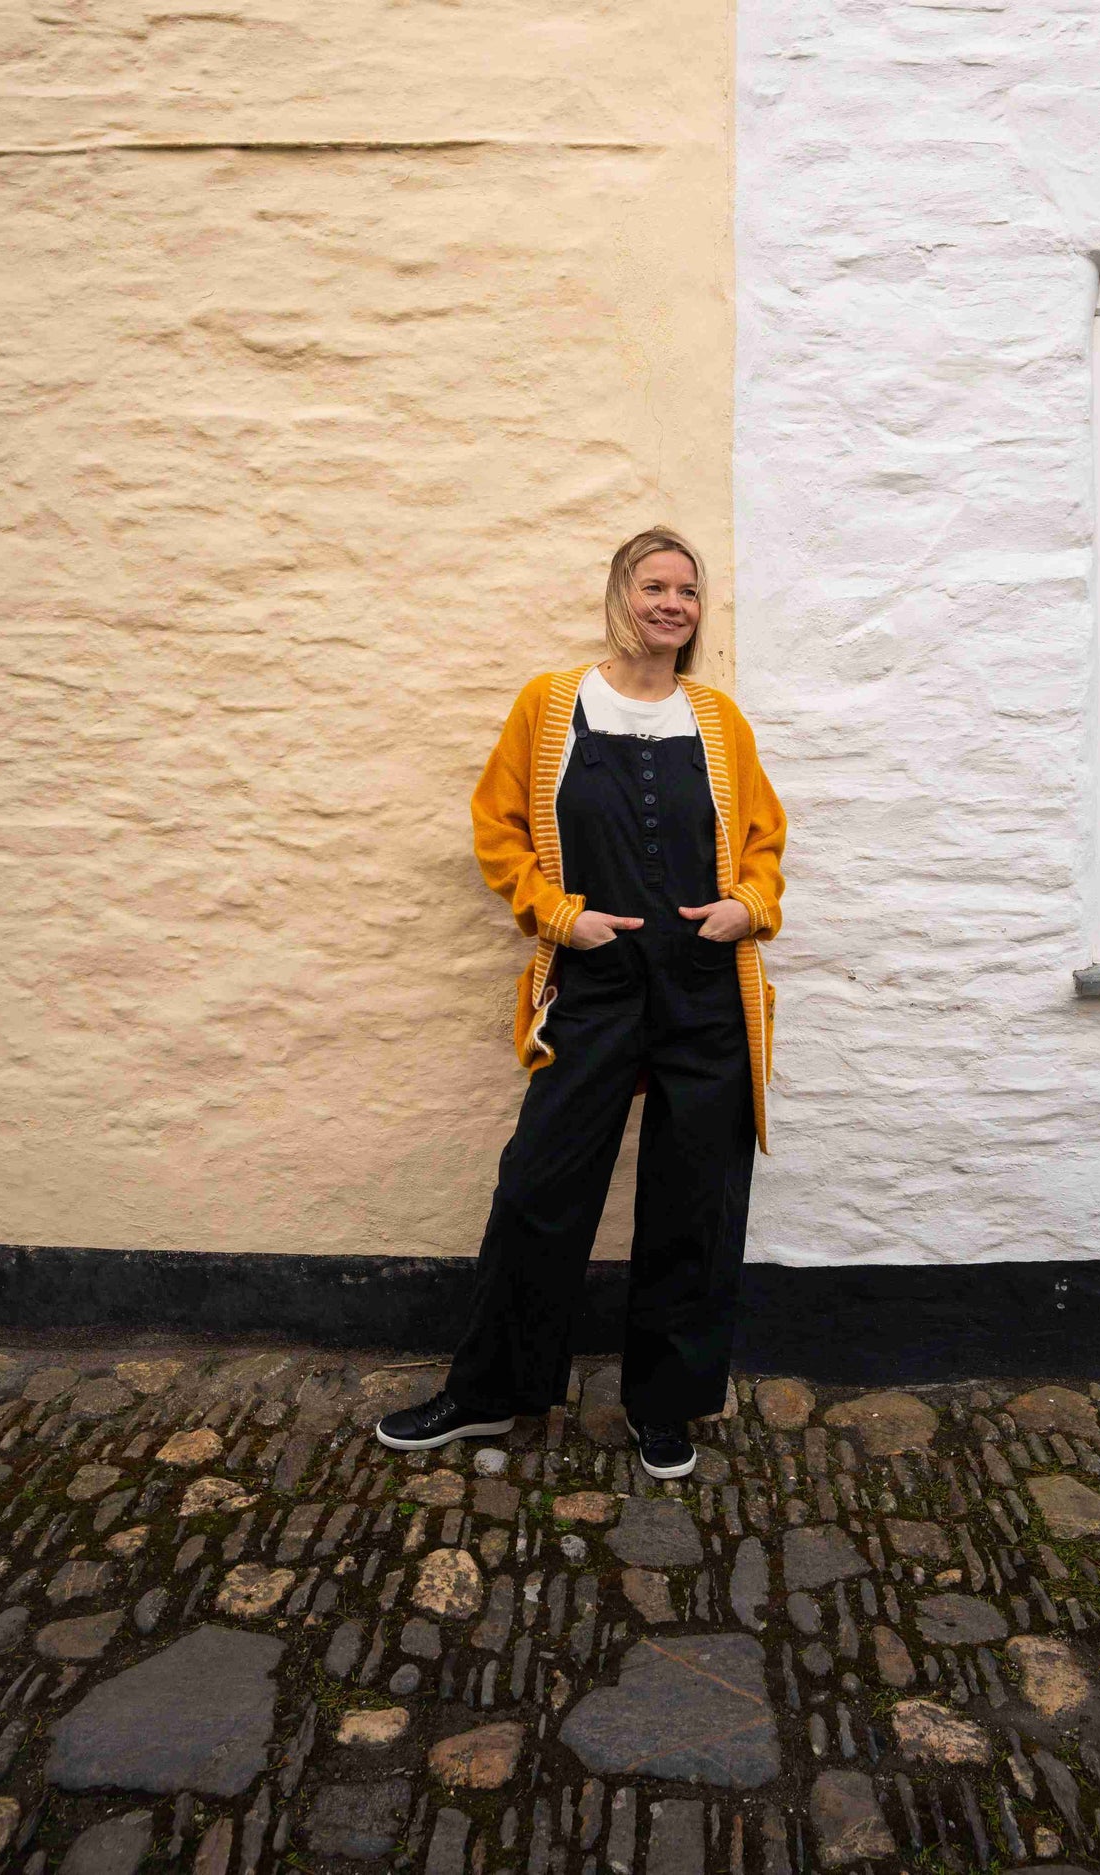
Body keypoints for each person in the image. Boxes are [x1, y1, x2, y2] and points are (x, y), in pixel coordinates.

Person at [376, 527, 786, 1478]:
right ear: (620, 596)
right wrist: (559, 915)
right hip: (593, 985)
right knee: (539, 1190)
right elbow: (499, 827)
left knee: (695, 1202)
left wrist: (745, 909)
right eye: (654, 586)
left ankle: (667, 1405)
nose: (672, 603)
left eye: (687, 589)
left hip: (705, 990)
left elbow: (764, 840)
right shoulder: (553, 704)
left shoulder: (718, 721)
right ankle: (487, 1393)